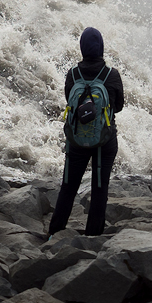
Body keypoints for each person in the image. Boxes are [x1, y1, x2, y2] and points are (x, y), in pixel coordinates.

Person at [47, 26, 124, 236]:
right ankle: (93, 235)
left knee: (68, 186)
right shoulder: (111, 74)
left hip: (77, 138)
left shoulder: (73, 74)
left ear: (82, 47)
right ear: (101, 47)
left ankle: (55, 232)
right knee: (100, 188)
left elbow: (69, 101)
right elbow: (119, 106)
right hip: (104, 139)